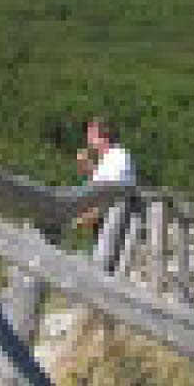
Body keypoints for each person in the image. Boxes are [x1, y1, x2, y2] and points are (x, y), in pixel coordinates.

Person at [76, 114, 139, 273]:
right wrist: (89, 168)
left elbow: (114, 192)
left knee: (102, 268)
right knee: (99, 265)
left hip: (114, 221)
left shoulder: (119, 156)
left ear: (104, 135)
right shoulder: (108, 159)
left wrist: (88, 215)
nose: (88, 138)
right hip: (105, 221)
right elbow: (101, 186)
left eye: (92, 133)